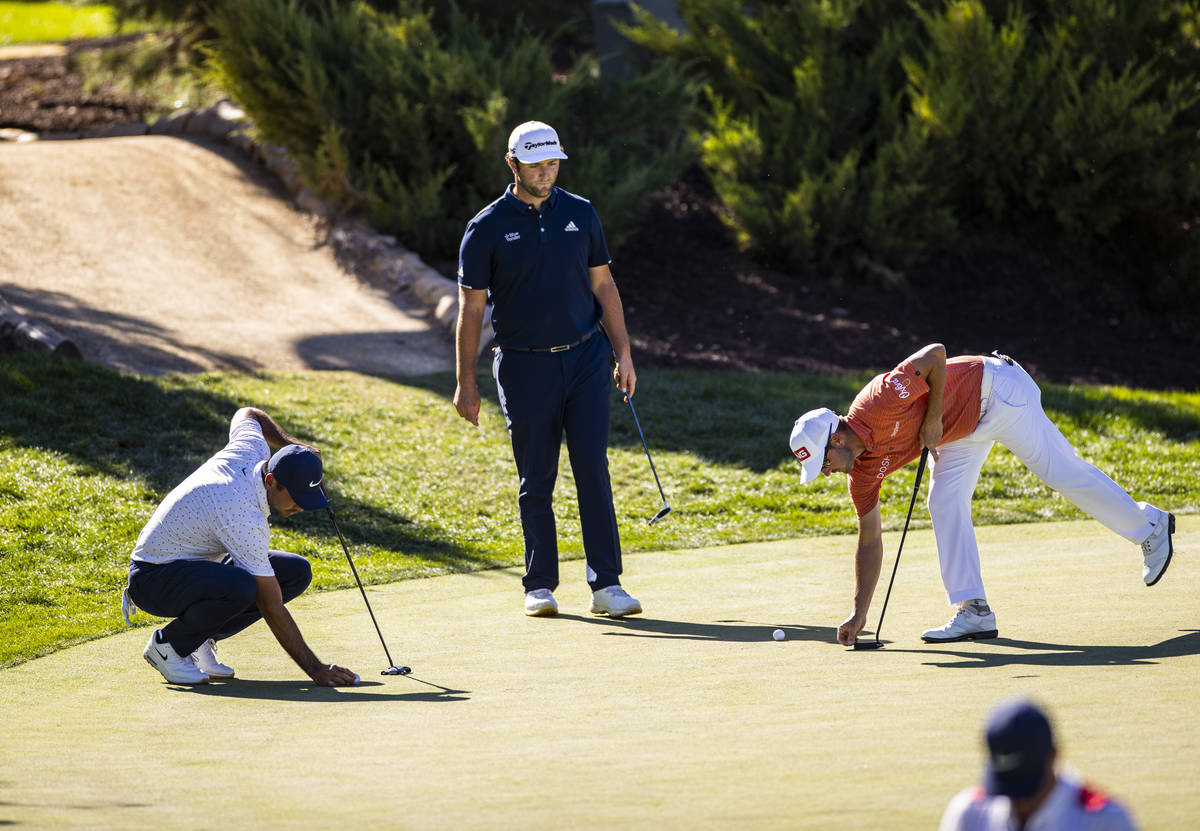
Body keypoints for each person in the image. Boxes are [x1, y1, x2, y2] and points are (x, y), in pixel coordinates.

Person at [787, 343, 1175, 646]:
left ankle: (1150, 527)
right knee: (943, 500)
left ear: (836, 438)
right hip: (962, 429)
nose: (825, 472)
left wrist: (933, 418)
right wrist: (859, 614)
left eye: (823, 461)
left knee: (1062, 473)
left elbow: (935, 354)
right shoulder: (862, 473)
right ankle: (973, 609)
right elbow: (869, 539)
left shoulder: (878, 400)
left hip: (998, 391)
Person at [453, 120, 642, 618]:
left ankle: (607, 584)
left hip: (585, 360)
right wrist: (465, 382)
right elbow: (472, 311)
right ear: (512, 164)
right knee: (536, 477)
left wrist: (623, 353)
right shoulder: (486, 227)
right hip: (522, 366)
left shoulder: (580, 212)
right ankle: (539, 584)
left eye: (553, 162)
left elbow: (603, 286)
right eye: (536, 164)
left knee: (593, 471)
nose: (546, 172)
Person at [122, 407, 357, 686]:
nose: (302, 507)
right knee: (244, 585)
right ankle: (169, 647)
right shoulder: (242, 515)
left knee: (295, 572)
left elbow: (249, 414)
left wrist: (295, 448)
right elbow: (271, 605)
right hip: (153, 579)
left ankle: (199, 639)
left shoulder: (253, 448)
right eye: (296, 497)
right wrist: (316, 670)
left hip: (193, 568)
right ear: (271, 482)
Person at [940, 697, 1140, 830]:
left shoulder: (1104, 820)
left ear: (1053, 756)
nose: (1017, 799)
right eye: (1007, 783)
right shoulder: (969, 811)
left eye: (1026, 783)